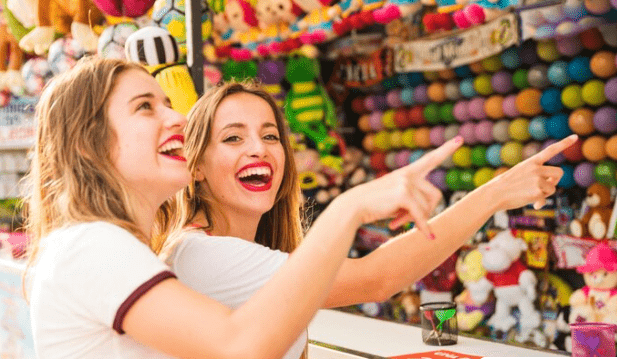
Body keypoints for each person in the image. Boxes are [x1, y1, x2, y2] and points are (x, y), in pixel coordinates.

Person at [24, 57, 464, 359]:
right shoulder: (94, 245)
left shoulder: (101, 245)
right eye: (145, 107)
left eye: (271, 136)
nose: (176, 118)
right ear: (88, 141)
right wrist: (349, 209)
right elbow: (241, 345)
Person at [166, 81, 577, 359]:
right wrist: (496, 193)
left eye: (270, 135)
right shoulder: (204, 255)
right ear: (196, 165)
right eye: (233, 137)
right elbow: (377, 278)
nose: (258, 148)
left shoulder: (230, 250)